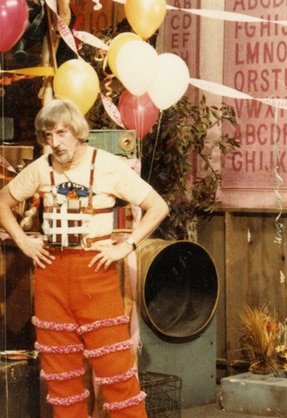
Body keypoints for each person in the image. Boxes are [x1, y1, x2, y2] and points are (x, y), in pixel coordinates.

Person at [0, 99, 169, 417]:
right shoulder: (41, 167)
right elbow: (2, 202)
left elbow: (158, 206)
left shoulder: (108, 165)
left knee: (117, 373)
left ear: (77, 132)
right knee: (61, 377)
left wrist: (127, 245)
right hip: (51, 274)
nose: (55, 142)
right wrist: (22, 241)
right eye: (48, 135)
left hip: (95, 273)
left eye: (61, 133)